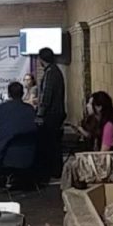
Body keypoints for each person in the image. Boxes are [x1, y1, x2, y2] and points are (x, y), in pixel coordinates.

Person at [36, 47, 67, 183]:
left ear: (41, 59)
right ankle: (56, 169)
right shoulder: (56, 71)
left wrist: (39, 114)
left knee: (50, 143)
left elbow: (46, 96)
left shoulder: (50, 73)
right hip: (57, 113)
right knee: (54, 144)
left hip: (51, 115)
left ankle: (53, 170)